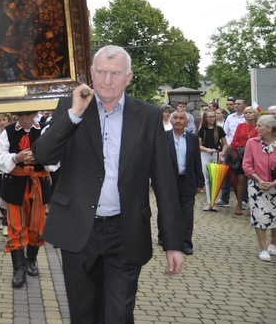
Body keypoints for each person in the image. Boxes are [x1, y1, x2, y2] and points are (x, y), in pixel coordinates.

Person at [32, 45, 184, 323]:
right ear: (91, 73)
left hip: (124, 232)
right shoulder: (70, 107)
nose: (107, 80)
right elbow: (43, 155)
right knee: (83, 314)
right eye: (101, 72)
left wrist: (174, 243)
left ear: (129, 77)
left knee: (118, 314)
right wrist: (75, 114)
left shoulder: (148, 116)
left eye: (115, 73)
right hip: (78, 229)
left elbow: (164, 182)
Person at [0, 110, 50, 287]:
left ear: (35, 115)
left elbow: (56, 158)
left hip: (38, 184)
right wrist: (16, 157)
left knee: (37, 226)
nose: (24, 119)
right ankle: (19, 268)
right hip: (14, 184)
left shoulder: (45, 130)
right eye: (20, 116)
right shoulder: (8, 131)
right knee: (16, 226)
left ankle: (31, 260)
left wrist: (40, 157)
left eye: (28, 115)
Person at [165, 110, 204, 255]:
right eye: (175, 118)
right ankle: (168, 240)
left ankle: (186, 243)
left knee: (187, 215)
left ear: (187, 122)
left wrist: (199, 182)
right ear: (171, 120)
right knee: (169, 212)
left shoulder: (193, 138)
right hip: (169, 182)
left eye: (182, 118)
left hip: (188, 181)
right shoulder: (163, 137)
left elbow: (196, 161)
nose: (178, 121)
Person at [242, 115, 276, 261]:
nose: (256, 128)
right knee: (259, 215)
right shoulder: (252, 142)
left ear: (269, 128)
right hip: (257, 186)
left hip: (275, 185)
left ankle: (273, 244)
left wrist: (273, 183)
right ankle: (263, 248)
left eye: (259, 126)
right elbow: (247, 165)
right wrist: (260, 180)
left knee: (275, 215)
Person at [230, 106, 259, 215]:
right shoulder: (240, 126)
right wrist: (243, 147)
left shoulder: (258, 126)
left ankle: (254, 204)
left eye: (250, 112)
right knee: (241, 180)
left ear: (255, 114)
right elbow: (234, 141)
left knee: (255, 180)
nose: (248, 114)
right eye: (246, 113)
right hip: (241, 156)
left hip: (256, 157)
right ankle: (239, 203)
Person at [198, 109, 228, 211]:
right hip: (205, 155)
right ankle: (209, 202)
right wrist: (207, 149)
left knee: (216, 179)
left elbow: (225, 144)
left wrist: (222, 154)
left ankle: (214, 202)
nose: (211, 119)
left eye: (213, 116)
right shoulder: (202, 130)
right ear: (205, 118)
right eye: (209, 117)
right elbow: (198, 145)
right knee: (207, 179)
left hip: (217, 155)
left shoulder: (219, 129)